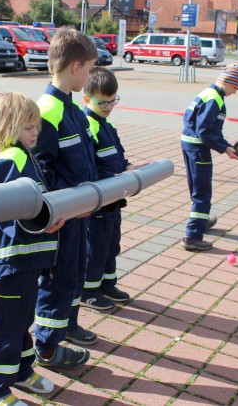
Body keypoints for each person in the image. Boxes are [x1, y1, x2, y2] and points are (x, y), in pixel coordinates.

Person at [0, 92, 64, 406]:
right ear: (9, 126)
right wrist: (42, 224)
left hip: (27, 261)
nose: (36, 132)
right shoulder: (11, 160)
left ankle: (21, 370)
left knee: (21, 320)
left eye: (36, 126)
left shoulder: (25, 157)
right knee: (5, 326)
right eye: (28, 127)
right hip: (11, 261)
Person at [32, 27, 99, 368]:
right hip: (61, 217)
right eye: (89, 69)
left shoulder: (71, 108)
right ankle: (46, 346)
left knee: (74, 273)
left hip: (78, 214)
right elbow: (40, 171)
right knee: (58, 280)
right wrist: (62, 205)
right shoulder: (47, 111)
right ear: (75, 66)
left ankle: (67, 325)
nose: (89, 77)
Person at [80, 67, 145, 310]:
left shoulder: (107, 124)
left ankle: (108, 283)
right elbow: (89, 166)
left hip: (114, 200)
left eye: (113, 100)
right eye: (102, 102)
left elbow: (116, 158)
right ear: (87, 99)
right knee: (95, 249)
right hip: (99, 202)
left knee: (111, 244)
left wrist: (130, 166)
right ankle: (89, 290)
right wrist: (113, 176)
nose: (108, 106)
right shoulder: (89, 126)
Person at [180, 64, 238, 252]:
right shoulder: (215, 99)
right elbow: (204, 131)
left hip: (189, 143)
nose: (235, 92)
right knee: (202, 192)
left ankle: (202, 220)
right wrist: (224, 148)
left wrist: (226, 145)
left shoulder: (208, 92)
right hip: (198, 148)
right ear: (228, 81)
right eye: (236, 87)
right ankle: (192, 236)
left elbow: (200, 126)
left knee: (196, 187)